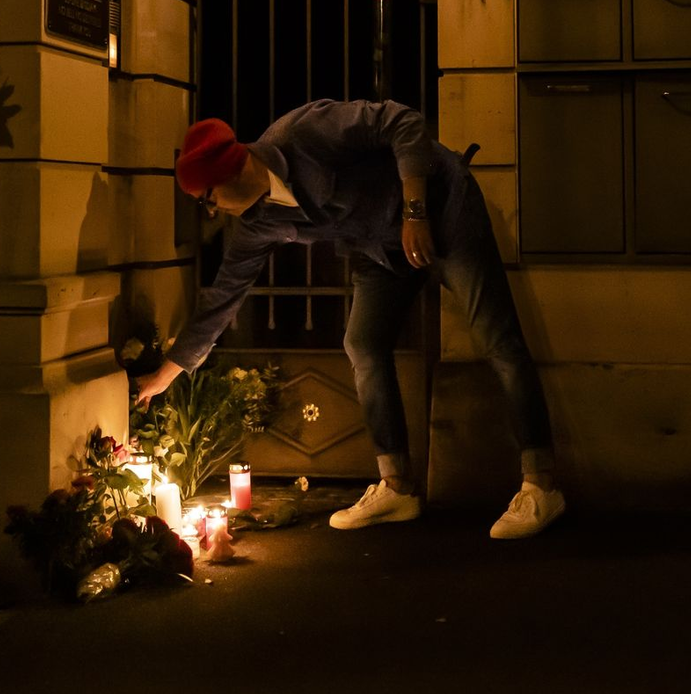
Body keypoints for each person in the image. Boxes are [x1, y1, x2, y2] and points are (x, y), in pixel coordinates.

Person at [134, 98, 565, 538]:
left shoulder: (301, 134)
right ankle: (397, 487)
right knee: (361, 342)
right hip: (379, 247)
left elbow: (402, 121)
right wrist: (168, 373)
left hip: (442, 211)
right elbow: (224, 295)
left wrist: (415, 212)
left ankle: (541, 484)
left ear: (233, 169)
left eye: (208, 198)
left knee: (497, 338)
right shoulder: (256, 222)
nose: (212, 211)